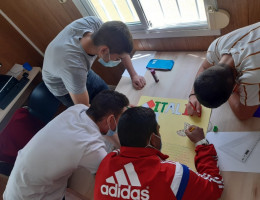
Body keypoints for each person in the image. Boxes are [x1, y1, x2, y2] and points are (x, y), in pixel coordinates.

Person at [3, 90, 129, 200]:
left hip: (19, 182)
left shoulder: (79, 109)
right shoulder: (91, 148)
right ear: (111, 120)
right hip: (33, 196)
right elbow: (112, 180)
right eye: (121, 119)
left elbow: (101, 127)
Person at [94, 107, 224, 200]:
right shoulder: (173, 175)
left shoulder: (106, 161)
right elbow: (215, 186)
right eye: (158, 131)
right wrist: (201, 143)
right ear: (153, 139)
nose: (160, 134)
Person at [42, 16, 146, 107]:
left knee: (107, 95)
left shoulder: (95, 23)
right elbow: (84, 107)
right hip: (62, 87)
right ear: (104, 50)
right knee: (97, 113)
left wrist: (134, 75)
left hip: (79, 70)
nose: (118, 61)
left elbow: (122, 51)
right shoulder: (74, 67)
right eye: (117, 58)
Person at [186, 22, 260, 120]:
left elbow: (243, 115)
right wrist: (193, 95)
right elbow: (204, 67)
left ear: (235, 88)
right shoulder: (216, 46)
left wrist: (231, 93)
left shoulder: (251, 77)